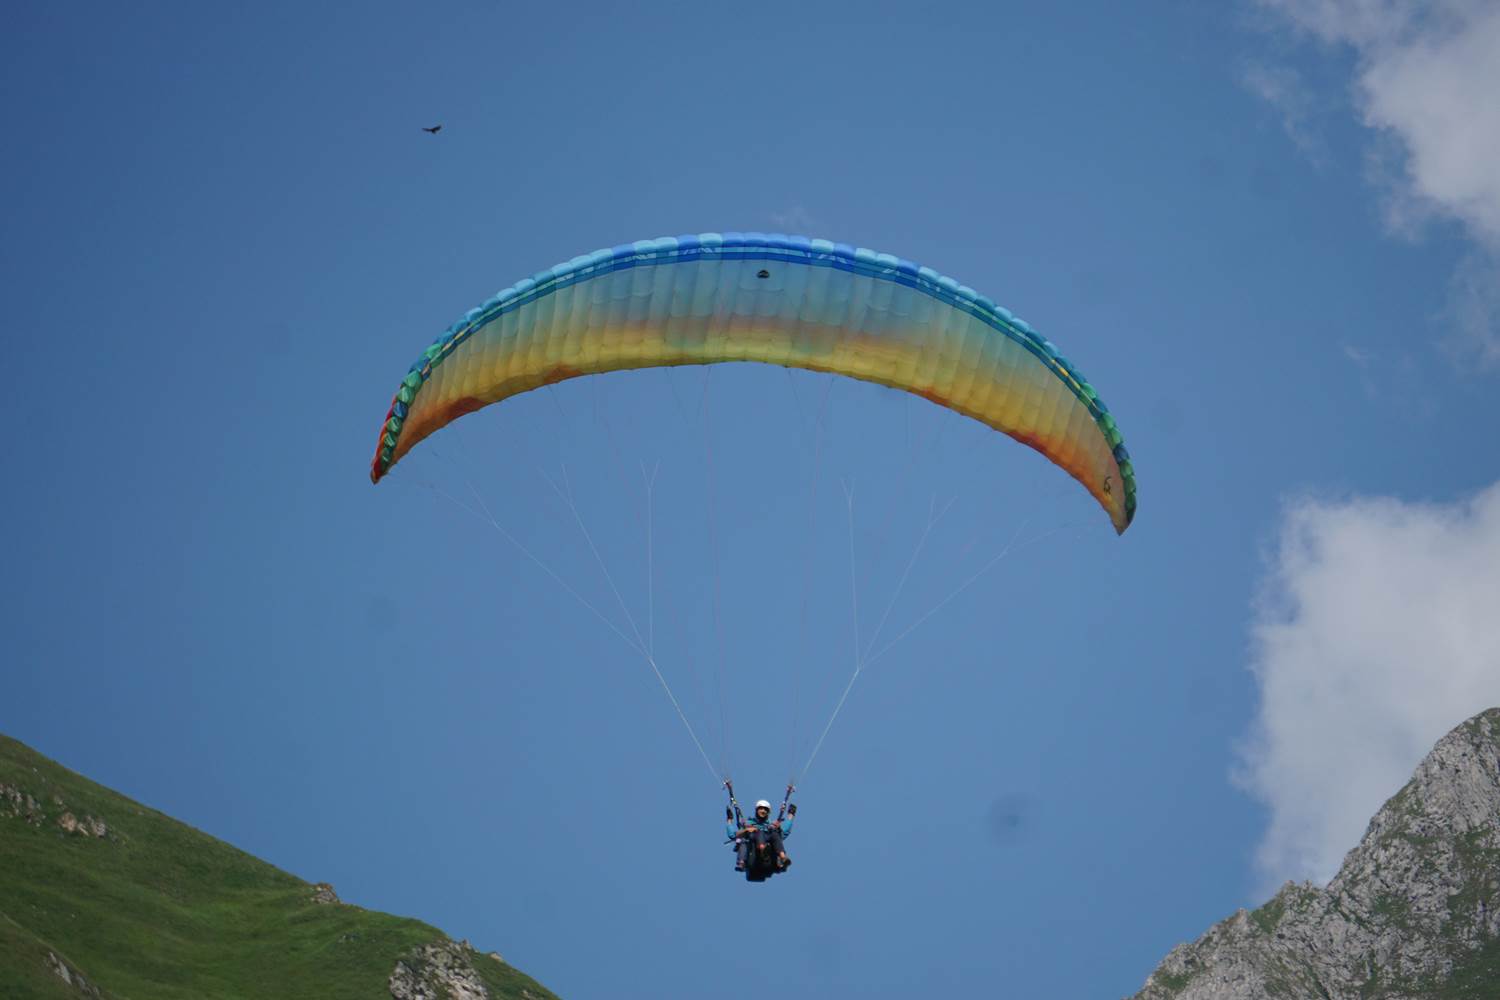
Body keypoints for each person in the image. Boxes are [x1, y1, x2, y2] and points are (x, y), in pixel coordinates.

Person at [728, 799, 794, 872]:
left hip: (768, 846)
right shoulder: (748, 823)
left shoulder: (771, 826)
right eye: (761, 808)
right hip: (753, 843)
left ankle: (783, 857)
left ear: (768, 812)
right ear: (756, 810)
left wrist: (790, 816)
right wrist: (730, 821)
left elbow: (783, 833)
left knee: (775, 834)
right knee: (759, 832)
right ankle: (762, 851)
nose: (763, 811)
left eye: (765, 810)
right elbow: (733, 835)